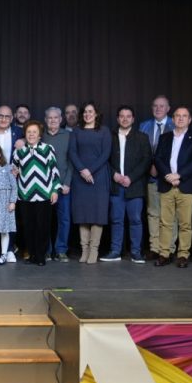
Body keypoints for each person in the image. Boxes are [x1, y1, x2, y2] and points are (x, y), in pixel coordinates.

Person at [154, 106, 192, 268]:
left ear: (189, 120)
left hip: (187, 185)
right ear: (173, 119)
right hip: (167, 184)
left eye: (184, 116)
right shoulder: (165, 137)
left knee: (185, 223)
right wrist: (168, 175)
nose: (181, 118)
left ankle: (183, 255)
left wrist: (179, 175)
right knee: (165, 222)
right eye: (177, 115)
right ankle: (164, 253)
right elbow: (158, 159)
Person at [103, 105, 151, 264]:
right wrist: (114, 175)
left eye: (128, 116)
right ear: (117, 119)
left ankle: (136, 252)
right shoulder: (109, 137)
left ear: (133, 119)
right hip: (116, 186)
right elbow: (104, 159)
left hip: (134, 186)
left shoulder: (142, 137)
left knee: (135, 220)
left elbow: (146, 161)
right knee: (116, 220)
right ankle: (115, 251)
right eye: (122, 116)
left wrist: (131, 177)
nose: (125, 119)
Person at [68, 102, 111, 264]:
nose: (87, 114)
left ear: (96, 113)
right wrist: (82, 170)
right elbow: (72, 152)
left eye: (91, 111)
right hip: (80, 178)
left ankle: (94, 250)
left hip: (98, 177)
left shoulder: (104, 131)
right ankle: (84, 250)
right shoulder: (76, 131)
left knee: (97, 214)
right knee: (83, 214)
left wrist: (90, 170)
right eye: (85, 112)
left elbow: (106, 153)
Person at [12, 120, 61, 266]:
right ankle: (32, 254)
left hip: (44, 194)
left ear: (40, 135)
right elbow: (13, 171)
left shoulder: (47, 149)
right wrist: (13, 172)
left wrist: (55, 190)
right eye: (29, 132)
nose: (31, 134)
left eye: (34, 132)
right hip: (25, 194)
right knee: (28, 227)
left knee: (43, 227)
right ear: (25, 134)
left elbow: (54, 170)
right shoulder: (19, 151)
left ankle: (40, 256)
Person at [138, 95, 176, 260]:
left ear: (168, 109)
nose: (158, 108)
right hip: (150, 176)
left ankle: (169, 248)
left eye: (162, 106)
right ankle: (154, 248)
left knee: (170, 215)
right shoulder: (144, 126)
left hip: (169, 176)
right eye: (155, 106)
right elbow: (141, 151)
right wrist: (150, 166)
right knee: (153, 213)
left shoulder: (175, 124)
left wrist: (161, 169)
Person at [41, 107, 73, 262]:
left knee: (64, 219)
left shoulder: (68, 136)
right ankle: (46, 250)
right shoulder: (40, 136)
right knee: (45, 219)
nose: (53, 120)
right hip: (44, 186)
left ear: (61, 119)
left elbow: (72, 161)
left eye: (56, 118)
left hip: (63, 185)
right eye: (50, 118)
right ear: (45, 120)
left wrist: (67, 183)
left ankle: (61, 250)